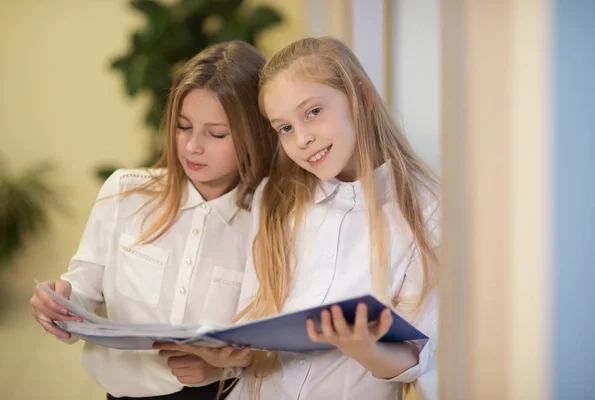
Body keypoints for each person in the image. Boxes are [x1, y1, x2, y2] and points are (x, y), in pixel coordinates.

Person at [156, 36, 441, 400]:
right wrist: (223, 357)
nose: (302, 138)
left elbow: (417, 356)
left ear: (362, 97)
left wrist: (364, 347)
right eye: (285, 128)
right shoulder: (275, 197)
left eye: (313, 112)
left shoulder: (426, 209)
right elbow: (252, 326)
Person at [29, 40, 277, 400]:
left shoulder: (270, 219)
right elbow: (84, 287)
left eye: (216, 133)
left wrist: (223, 366)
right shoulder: (125, 193)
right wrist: (62, 299)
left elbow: (272, 337)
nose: (193, 146)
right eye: (183, 126)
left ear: (256, 132)